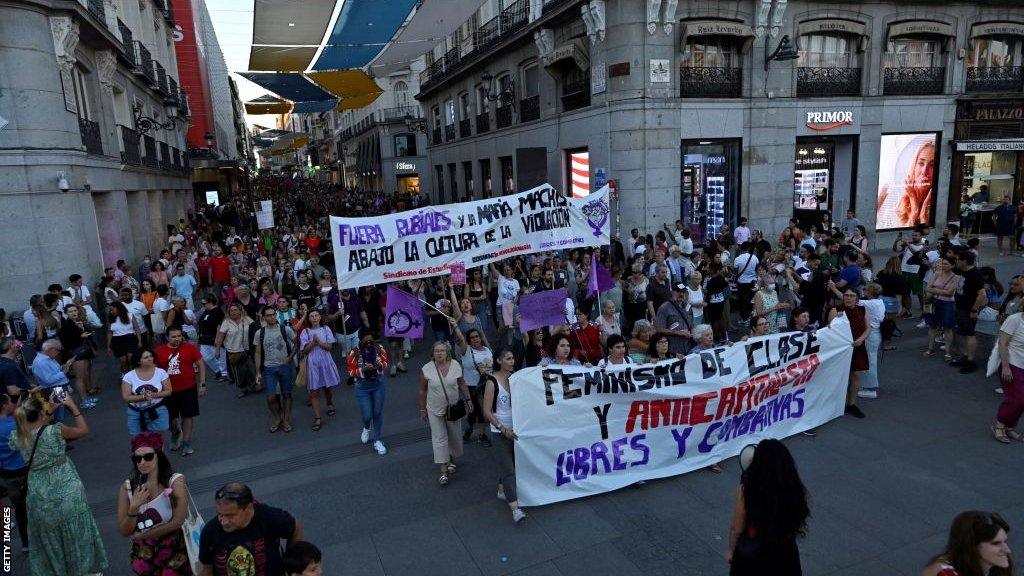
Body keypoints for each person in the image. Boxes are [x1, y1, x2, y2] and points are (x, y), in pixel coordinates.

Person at [12, 393, 107, 576]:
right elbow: (83, 430)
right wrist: (73, 407)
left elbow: (34, 424)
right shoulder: (56, 430)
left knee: (52, 541)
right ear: (41, 415)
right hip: (67, 494)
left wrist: (48, 409)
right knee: (76, 538)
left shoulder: (18, 436)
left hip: (39, 499)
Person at [727, 439, 809, 575]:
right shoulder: (794, 487)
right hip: (785, 555)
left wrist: (731, 550)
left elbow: (736, 528)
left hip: (753, 556)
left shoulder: (746, 489)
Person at [116, 431, 192, 576]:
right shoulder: (127, 488)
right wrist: (133, 508)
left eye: (148, 457)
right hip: (144, 555)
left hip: (175, 549)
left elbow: (177, 521)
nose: (142, 462)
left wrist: (143, 536)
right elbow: (124, 531)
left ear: (159, 455)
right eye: (137, 458)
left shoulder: (175, 481)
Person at [198, 483, 303, 576]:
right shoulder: (210, 531)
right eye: (220, 514)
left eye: (230, 516)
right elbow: (206, 570)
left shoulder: (269, 517)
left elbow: (295, 529)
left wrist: (291, 565)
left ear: (248, 508)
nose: (223, 522)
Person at [480, 348, 525, 523]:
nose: (512, 361)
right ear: (499, 361)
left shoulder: (516, 379)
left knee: (511, 462)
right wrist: (502, 427)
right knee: (509, 470)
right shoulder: (492, 382)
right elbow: (486, 411)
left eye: (513, 358)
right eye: (507, 358)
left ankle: (501, 490)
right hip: (500, 432)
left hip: (517, 429)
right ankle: (515, 509)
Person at [419, 341, 474, 486]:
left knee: (454, 436)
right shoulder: (426, 369)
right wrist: (422, 409)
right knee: (439, 438)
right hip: (434, 409)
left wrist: (468, 399)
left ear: (447, 352)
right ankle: (443, 470)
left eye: (442, 351)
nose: (439, 353)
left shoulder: (455, 365)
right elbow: (422, 390)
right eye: (436, 351)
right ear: (433, 353)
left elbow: (462, 383)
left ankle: (451, 459)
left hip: (453, 408)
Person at [155, 327, 205, 456]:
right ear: (167, 337)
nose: (177, 339)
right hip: (167, 391)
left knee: (187, 415)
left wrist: (202, 384)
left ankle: (186, 442)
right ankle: (176, 432)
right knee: (170, 420)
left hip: (188, 388)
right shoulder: (159, 351)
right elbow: (154, 371)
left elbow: (200, 364)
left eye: (179, 336)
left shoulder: (190, 348)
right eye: (174, 336)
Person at [923, 511, 1012, 576]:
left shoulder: (999, 566)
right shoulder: (945, 572)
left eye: (1005, 541)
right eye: (996, 543)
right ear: (972, 545)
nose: (1008, 550)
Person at [254, 306, 297, 433]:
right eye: (269, 315)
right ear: (264, 317)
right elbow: (257, 352)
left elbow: (297, 343)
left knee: (287, 394)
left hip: (284, 366)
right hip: (269, 368)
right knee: (270, 397)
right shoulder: (260, 333)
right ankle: (276, 417)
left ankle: (286, 419)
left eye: (273, 314)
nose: (272, 317)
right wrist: (258, 372)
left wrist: (290, 357)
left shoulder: (285, 329)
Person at [828, 288, 870, 418]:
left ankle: (851, 404)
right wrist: (836, 320)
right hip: (841, 349)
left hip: (857, 347)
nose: (849, 298)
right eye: (846, 295)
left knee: (856, 375)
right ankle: (834, 405)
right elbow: (829, 331)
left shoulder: (862, 310)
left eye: (852, 295)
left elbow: (868, 328)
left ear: (857, 298)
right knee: (840, 377)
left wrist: (861, 339)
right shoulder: (835, 310)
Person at [348, 332, 390, 454]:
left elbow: (386, 362)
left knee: (377, 412)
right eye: (366, 342)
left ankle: (377, 440)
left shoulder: (379, 348)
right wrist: (363, 370)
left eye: (371, 341)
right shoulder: (354, 352)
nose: (369, 344)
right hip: (362, 388)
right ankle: (366, 427)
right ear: (361, 341)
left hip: (378, 385)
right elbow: (350, 371)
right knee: (367, 415)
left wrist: (378, 366)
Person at [453, 324, 493, 446]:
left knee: (481, 411)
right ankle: (476, 431)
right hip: (471, 387)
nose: (475, 339)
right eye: (472, 337)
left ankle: (477, 432)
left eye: (477, 336)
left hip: (487, 385)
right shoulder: (466, 351)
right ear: (469, 340)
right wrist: (455, 326)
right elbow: (461, 339)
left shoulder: (487, 350)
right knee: (475, 411)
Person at [300, 310, 339, 432]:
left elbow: (329, 347)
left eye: (316, 315)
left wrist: (319, 342)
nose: (315, 318)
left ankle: (329, 402)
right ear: (309, 319)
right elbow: (305, 350)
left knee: (327, 387)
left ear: (320, 317)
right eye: (312, 316)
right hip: (313, 364)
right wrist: (313, 342)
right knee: (314, 391)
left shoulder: (325, 329)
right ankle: (317, 417)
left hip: (325, 362)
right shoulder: (305, 331)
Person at [950, 251, 987, 375]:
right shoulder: (964, 272)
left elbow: (982, 295)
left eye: (958, 259)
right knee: (965, 333)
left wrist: (974, 310)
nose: (956, 261)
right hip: (961, 307)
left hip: (968, 309)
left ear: (965, 261)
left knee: (969, 334)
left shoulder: (974, 274)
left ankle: (971, 361)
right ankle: (966, 357)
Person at [0, 392, 28, 552]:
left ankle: (25, 542)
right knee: (31, 504)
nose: (13, 403)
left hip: (6, 473)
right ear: (4, 405)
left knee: (17, 506)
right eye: (10, 401)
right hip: (23, 469)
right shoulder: (15, 423)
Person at [121, 350, 172, 436]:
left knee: (156, 439)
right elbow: (126, 397)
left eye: (151, 356)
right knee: (139, 442)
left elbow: (168, 391)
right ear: (138, 361)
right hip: (136, 412)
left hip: (157, 409)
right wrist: (143, 397)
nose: (150, 359)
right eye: (146, 357)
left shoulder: (161, 372)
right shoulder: (129, 376)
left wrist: (153, 395)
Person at [59, 303, 98, 407]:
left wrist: (82, 329)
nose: (74, 313)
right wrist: (81, 335)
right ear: (66, 313)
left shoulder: (77, 322)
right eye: (70, 312)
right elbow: (66, 342)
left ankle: (87, 397)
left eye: (75, 311)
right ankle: (84, 400)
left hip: (84, 351)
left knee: (85, 374)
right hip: (76, 353)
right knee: (79, 378)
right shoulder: (66, 324)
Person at [216, 303, 258, 396]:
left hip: (247, 350)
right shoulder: (226, 322)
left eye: (235, 310)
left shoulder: (247, 319)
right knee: (239, 372)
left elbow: (255, 330)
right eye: (231, 310)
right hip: (233, 351)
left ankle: (253, 385)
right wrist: (217, 350)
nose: (233, 312)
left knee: (251, 369)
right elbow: (221, 336)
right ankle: (243, 389)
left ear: (240, 311)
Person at [995, 311, 1024, 443]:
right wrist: (1005, 366)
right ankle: (999, 424)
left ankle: (1009, 427)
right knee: (1018, 399)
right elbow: (1002, 343)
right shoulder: (1014, 319)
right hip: (1012, 364)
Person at [197, 294, 227, 382]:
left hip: (214, 337)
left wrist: (217, 338)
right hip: (204, 338)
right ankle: (217, 370)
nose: (203, 305)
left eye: (204, 303)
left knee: (219, 356)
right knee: (206, 357)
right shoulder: (205, 311)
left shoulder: (218, 311)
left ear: (210, 302)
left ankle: (224, 373)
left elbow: (220, 325)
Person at [108, 301, 143, 373]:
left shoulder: (130, 315)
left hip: (130, 338)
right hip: (117, 340)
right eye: (110, 310)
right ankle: (126, 374)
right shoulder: (111, 319)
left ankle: (134, 372)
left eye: (112, 309)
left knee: (131, 357)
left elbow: (136, 328)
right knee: (123, 360)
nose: (111, 312)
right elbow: (109, 332)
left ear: (118, 308)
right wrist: (109, 345)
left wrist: (139, 341)